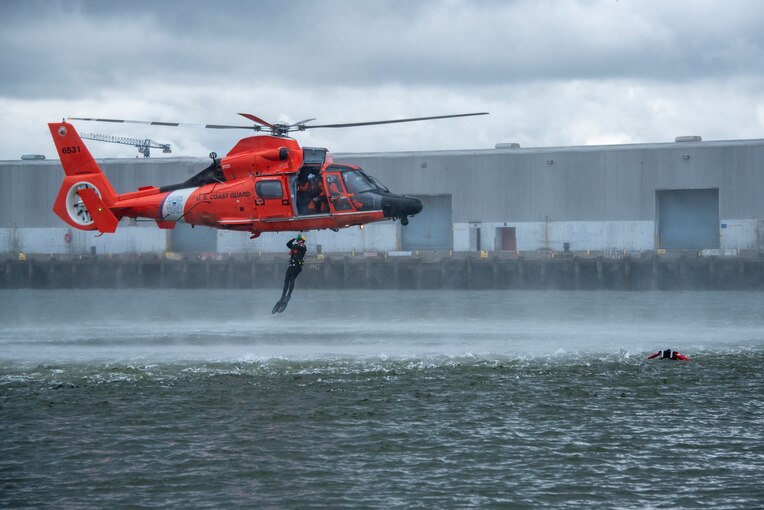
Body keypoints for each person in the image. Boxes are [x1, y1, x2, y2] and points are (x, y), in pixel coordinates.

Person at [273, 234, 307, 313]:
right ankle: (283, 296)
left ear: (302, 241)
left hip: (297, 266)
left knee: (292, 280)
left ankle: (289, 295)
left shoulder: (303, 247)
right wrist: (294, 238)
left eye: (300, 240)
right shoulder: (295, 246)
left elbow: (297, 247)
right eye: (298, 240)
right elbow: (288, 244)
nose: (298, 241)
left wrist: (295, 244)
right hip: (291, 265)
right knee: (286, 281)